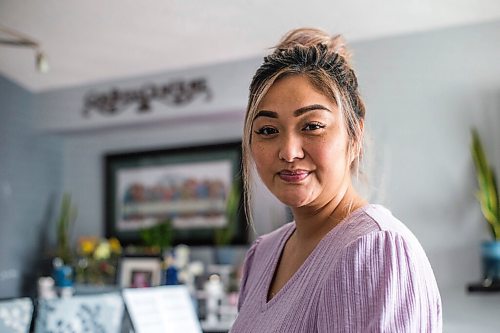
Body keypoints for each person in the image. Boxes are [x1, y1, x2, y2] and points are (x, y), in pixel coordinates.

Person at [230, 28, 442, 332]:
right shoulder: (262, 255)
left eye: (312, 126)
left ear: (353, 134)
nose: (289, 152)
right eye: (267, 130)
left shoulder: (375, 248)